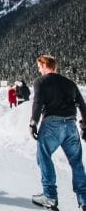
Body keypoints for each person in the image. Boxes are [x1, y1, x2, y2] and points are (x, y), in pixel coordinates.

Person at [29, 55, 86, 210]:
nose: (39, 70)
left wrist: (33, 122)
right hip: (70, 125)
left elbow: (38, 102)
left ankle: (50, 196)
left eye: (39, 67)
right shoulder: (69, 83)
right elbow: (81, 104)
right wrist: (85, 126)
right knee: (76, 163)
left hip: (51, 125)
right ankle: (84, 200)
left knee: (44, 157)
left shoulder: (41, 81)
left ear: (45, 65)